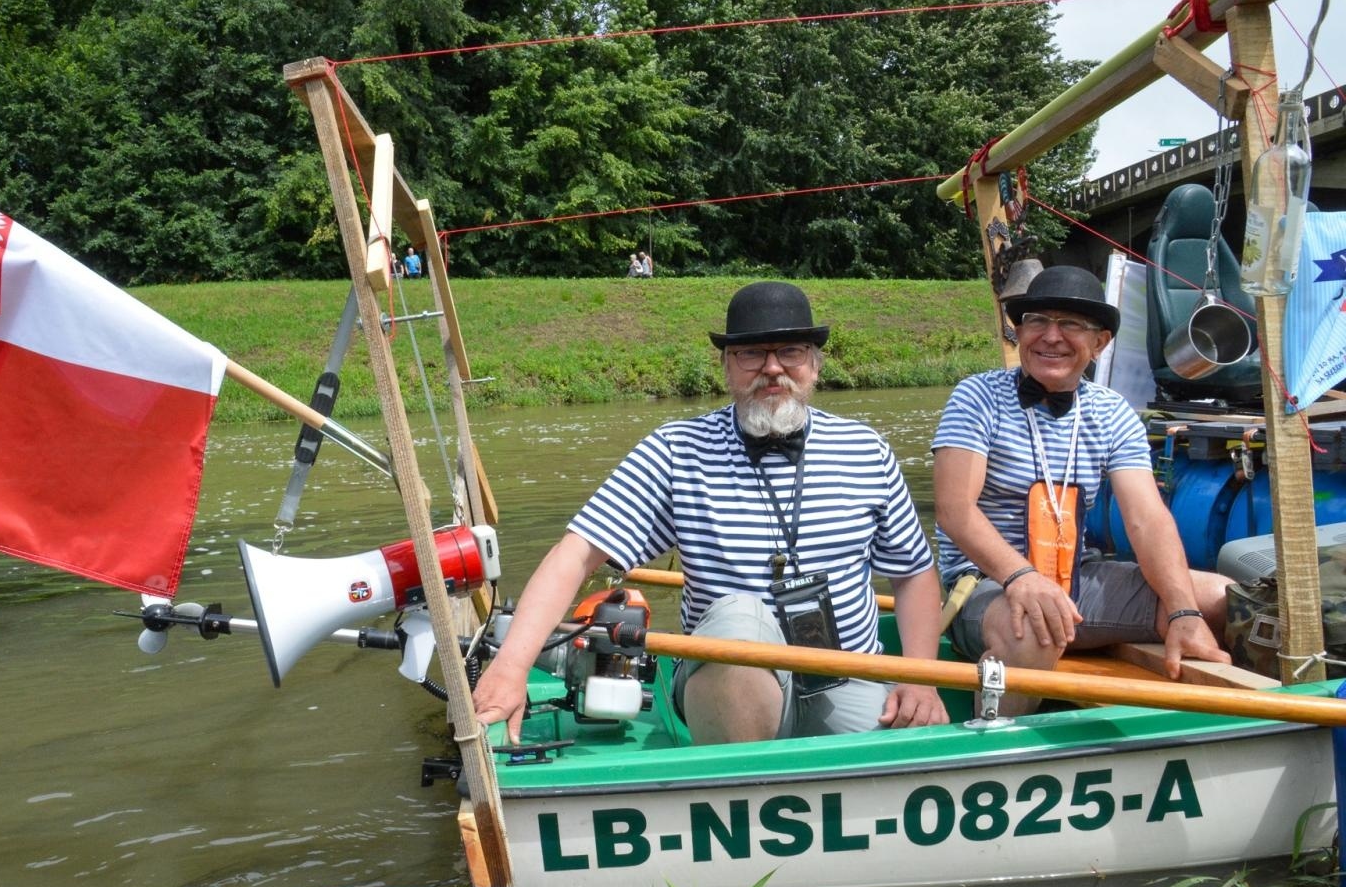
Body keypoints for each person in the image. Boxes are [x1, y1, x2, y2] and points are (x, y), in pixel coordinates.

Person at [473, 280, 946, 745]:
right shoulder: (677, 450)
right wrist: (511, 667)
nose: (772, 368)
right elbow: (574, 555)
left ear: (815, 365)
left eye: (790, 352)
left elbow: (913, 573)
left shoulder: (866, 449)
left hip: (845, 679)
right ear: (726, 366)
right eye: (751, 354)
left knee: (929, 740)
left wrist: (920, 680)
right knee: (740, 618)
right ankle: (745, 793)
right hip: (724, 684)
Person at [931, 265, 1232, 716]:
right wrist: (1022, 577)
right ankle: (999, 759)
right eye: (1037, 321)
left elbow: (1146, 518)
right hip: (985, 585)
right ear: (1020, 332)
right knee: (1034, 629)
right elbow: (955, 511)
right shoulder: (978, 397)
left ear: (1100, 343)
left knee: (1221, 598)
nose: (1051, 336)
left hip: (1076, 580)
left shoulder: (1111, 411)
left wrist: (1182, 611)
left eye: (1071, 324)